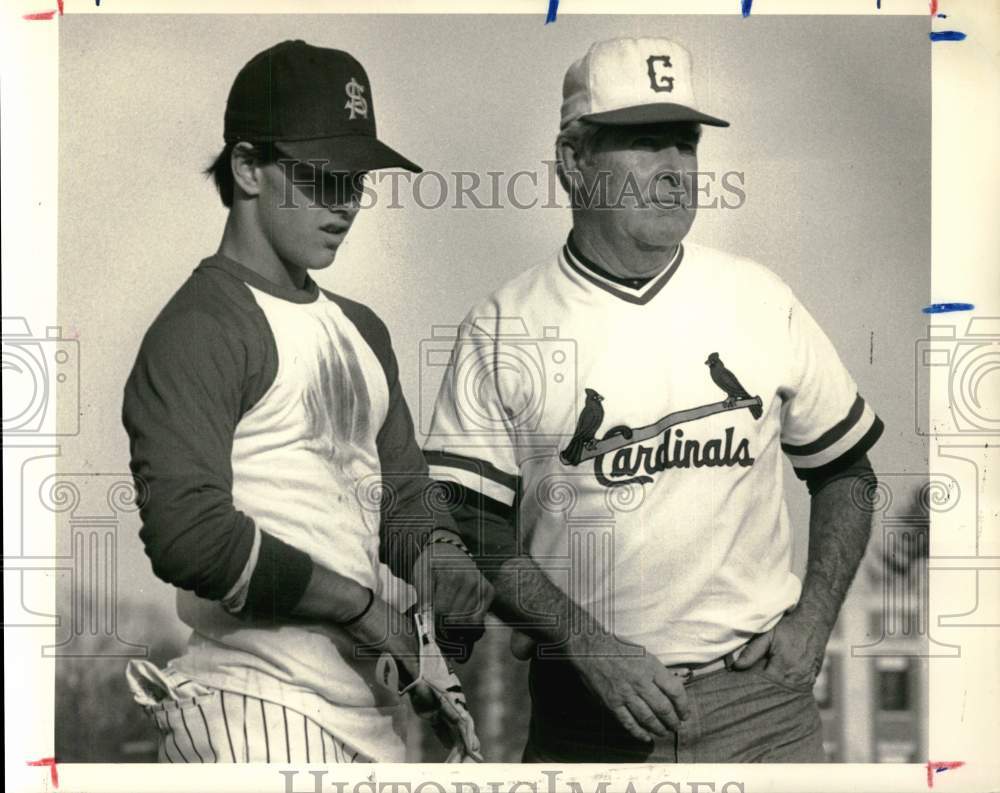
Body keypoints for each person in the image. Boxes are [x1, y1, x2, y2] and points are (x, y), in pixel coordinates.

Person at [423, 37, 883, 763]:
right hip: (587, 713)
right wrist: (585, 642)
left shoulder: (758, 297)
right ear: (574, 162)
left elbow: (846, 471)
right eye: (645, 145)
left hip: (760, 707)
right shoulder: (504, 324)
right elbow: (473, 526)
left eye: (686, 145)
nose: (676, 173)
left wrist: (813, 624)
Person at [122, 39, 492, 763]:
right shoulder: (200, 327)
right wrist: (360, 607)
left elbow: (402, 496)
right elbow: (189, 535)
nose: (346, 202)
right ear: (247, 167)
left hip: (367, 715)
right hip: (245, 709)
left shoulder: (361, 329)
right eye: (322, 176)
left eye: (356, 178)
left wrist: (438, 555)